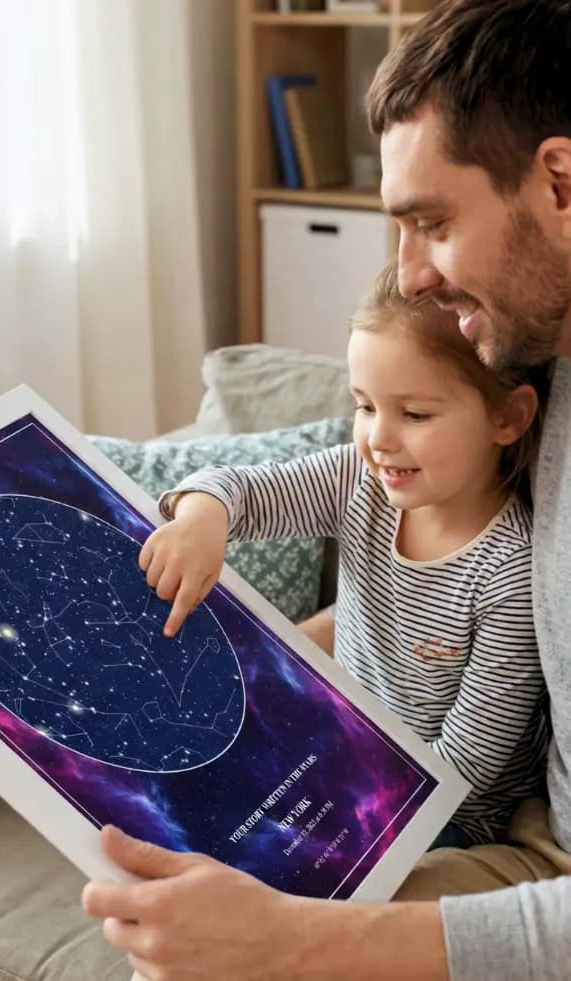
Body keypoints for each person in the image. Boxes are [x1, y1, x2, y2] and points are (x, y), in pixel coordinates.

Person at [82, 0, 571, 981]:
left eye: (431, 222)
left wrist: (295, 939)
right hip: (549, 855)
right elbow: (405, 531)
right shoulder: (548, 367)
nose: (412, 275)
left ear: (563, 186)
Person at [141, 270, 549, 850]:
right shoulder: (358, 480)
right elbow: (242, 490)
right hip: (349, 762)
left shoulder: (510, 572)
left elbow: (464, 766)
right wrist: (202, 516)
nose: (379, 438)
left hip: (444, 815)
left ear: (506, 418)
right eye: (365, 406)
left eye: (415, 414)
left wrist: (335, 795)